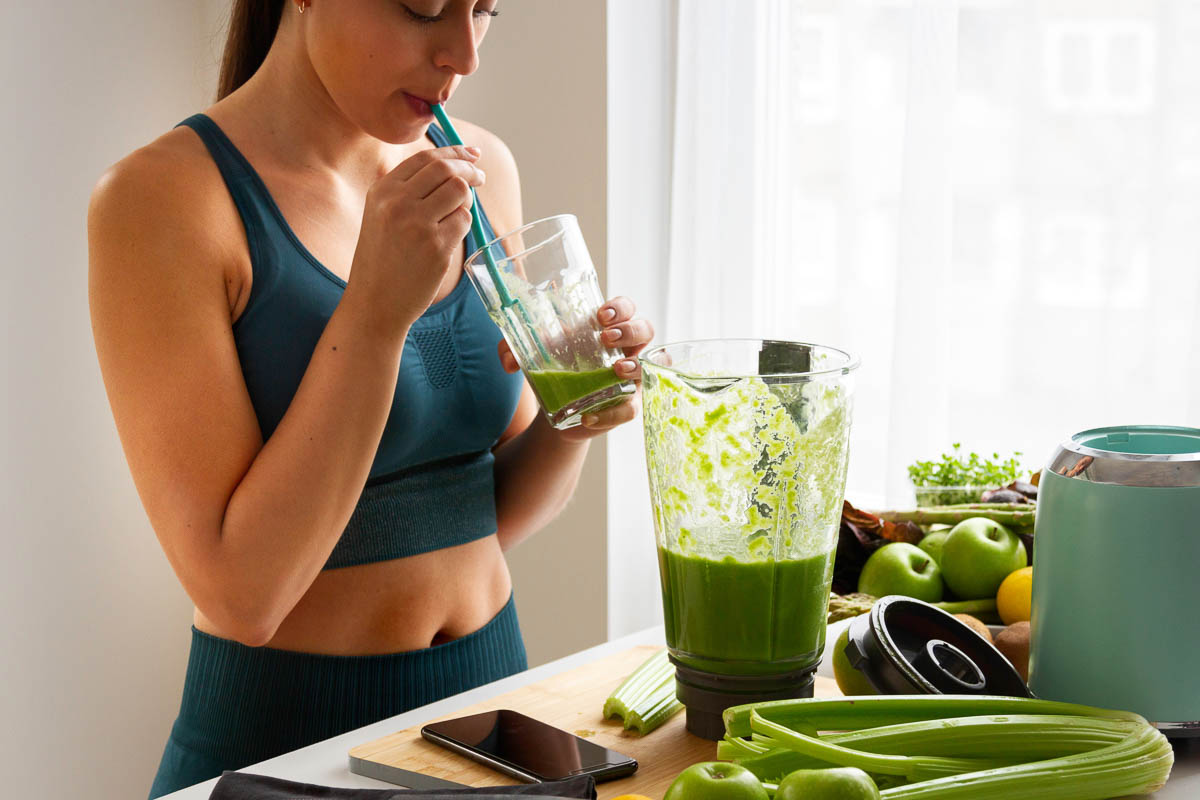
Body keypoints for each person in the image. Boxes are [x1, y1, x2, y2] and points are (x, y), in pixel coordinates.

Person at [86, 1, 653, 796]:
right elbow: (241, 597)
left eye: (484, 9)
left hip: (488, 715)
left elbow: (487, 516)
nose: (464, 54)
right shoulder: (160, 201)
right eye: (424, 6)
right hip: (287, 748)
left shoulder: (480, 170)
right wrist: (376, 314)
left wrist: (576, 416)